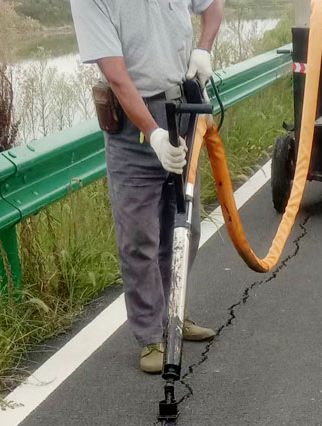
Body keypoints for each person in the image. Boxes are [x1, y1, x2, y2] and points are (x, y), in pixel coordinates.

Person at [70, 0, 223, 373]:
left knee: (185, 228)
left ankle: (174, 314)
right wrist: (153, 134)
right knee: (139, 238)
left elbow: (213, 5)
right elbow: (116, 75)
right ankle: (151, 336)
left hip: (183, 111)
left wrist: (203, 47)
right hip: (131, 126)